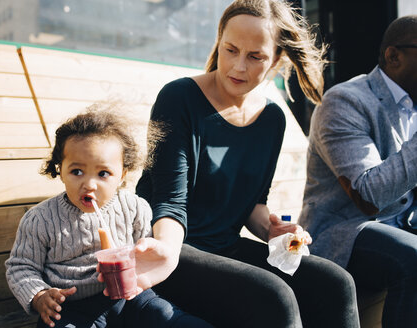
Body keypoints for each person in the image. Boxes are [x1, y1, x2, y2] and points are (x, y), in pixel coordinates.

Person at [134, 1, 360, 327]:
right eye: (231, 50)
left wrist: (273, 229)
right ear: (219, 42)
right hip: (171, 247)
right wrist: (166, 255)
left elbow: (254, 203)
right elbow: (169, 203)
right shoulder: (178, 98)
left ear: (276, 60)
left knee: (336, 284)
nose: (238, 66)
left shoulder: (272, 119)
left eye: (255, 57)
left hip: (226, 249)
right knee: (276, 298)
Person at [5, 108, 213, 328]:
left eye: (103, 173)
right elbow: (21, 267)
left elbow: (144, 258)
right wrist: (39, 295)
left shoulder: (134, 208)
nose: (90, 184)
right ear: (60, 169)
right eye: (77, 171)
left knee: (169, 317)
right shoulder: (41, 219)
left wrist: (145, 259)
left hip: (132, 297)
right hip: (71, 307)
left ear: (122, 175)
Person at [298, 15, 417, 327]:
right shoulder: (346, 101)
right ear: (394, 55)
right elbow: (368, 196)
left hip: (400, 225)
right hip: (344, 232)